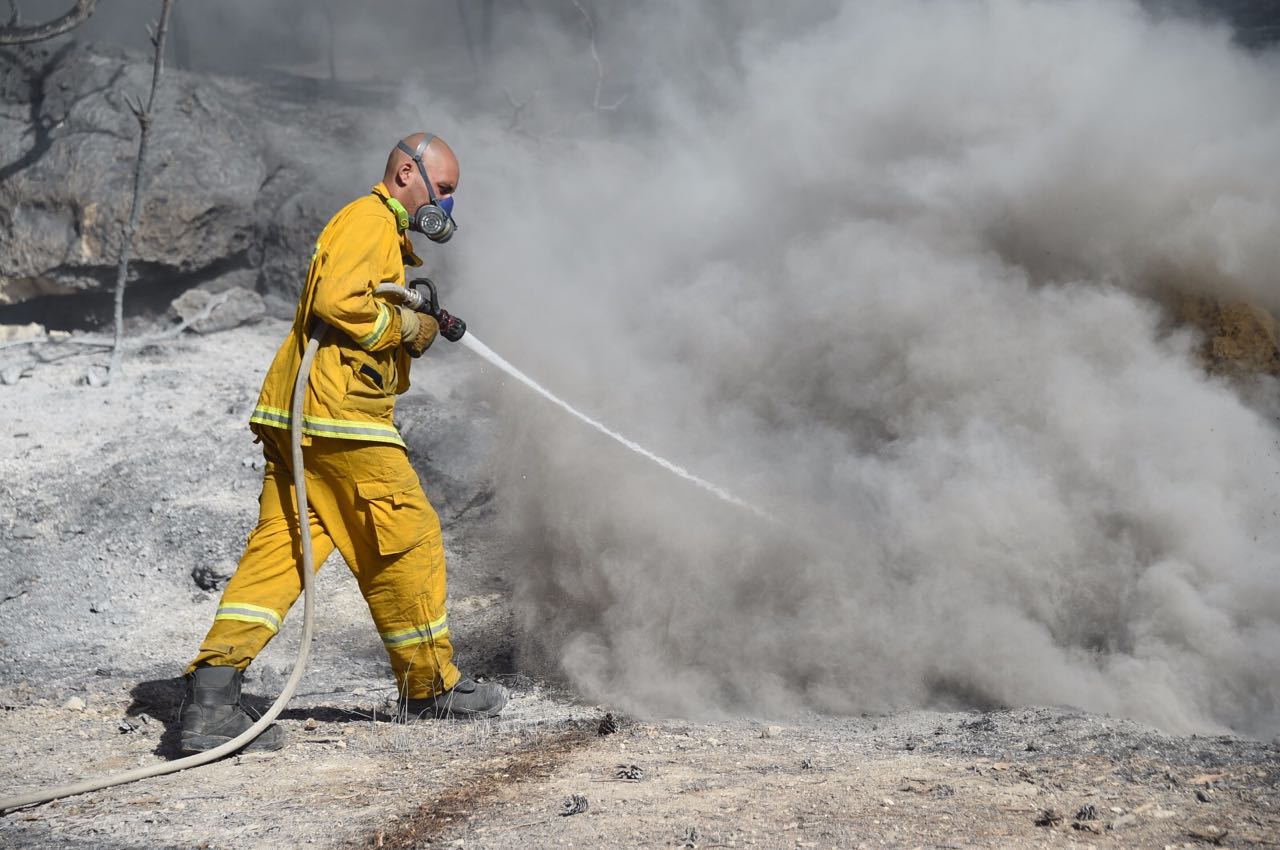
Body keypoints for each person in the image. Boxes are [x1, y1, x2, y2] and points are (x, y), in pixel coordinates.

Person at [178, 133, 507, 755]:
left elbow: (355, 301)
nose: (450, 205)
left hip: (299, 416)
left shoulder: (382, 234)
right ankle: (430, 689)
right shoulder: (371, 218)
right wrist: (409, 326)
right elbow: (340, 301)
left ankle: (211, 697)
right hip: (339, 417)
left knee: (283, 551)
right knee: (407, 537)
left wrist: (413, 315)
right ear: (408, 173)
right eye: (448, 189)